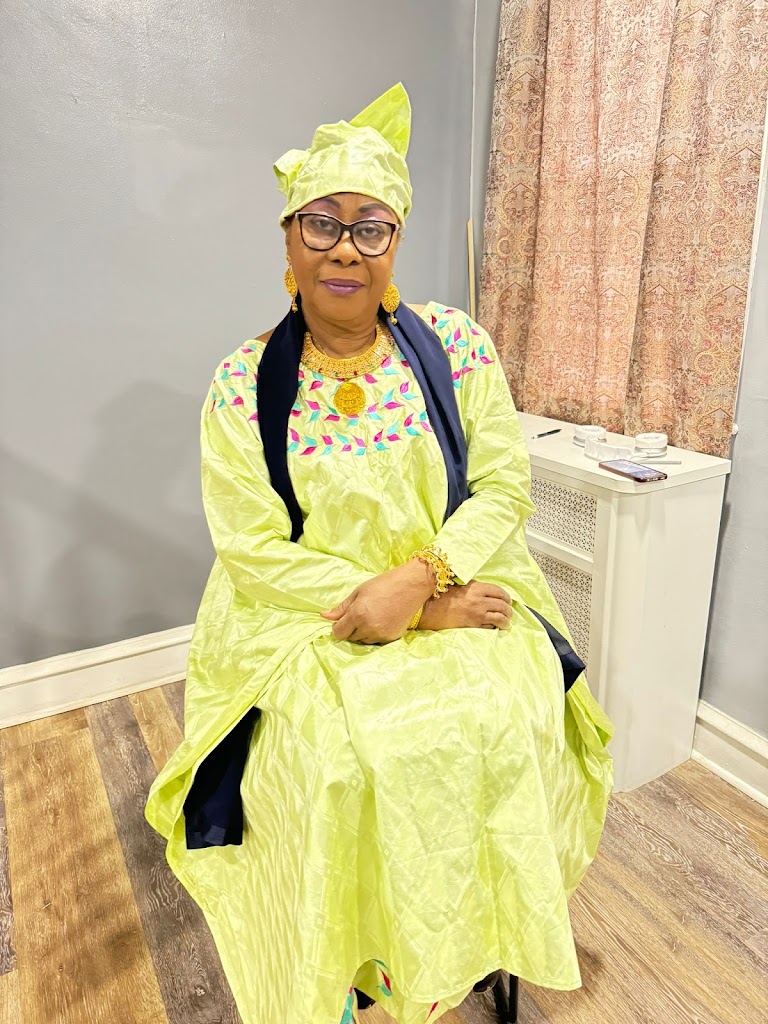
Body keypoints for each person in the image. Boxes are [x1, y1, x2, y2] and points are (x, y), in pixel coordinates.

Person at [145, 83, 614, 1024]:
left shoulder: (458, 349)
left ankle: (478, 933)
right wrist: (409, 609)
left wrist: (426, 582)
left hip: (463, 583)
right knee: (344, 762)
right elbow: (253, 550)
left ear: (396, 241)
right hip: (304, 617)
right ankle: (361, 967)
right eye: (322, 224)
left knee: (505, 724)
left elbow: (504, 488)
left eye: (371, 227)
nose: (345, 249)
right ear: (288, 239)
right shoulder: (242, 384)